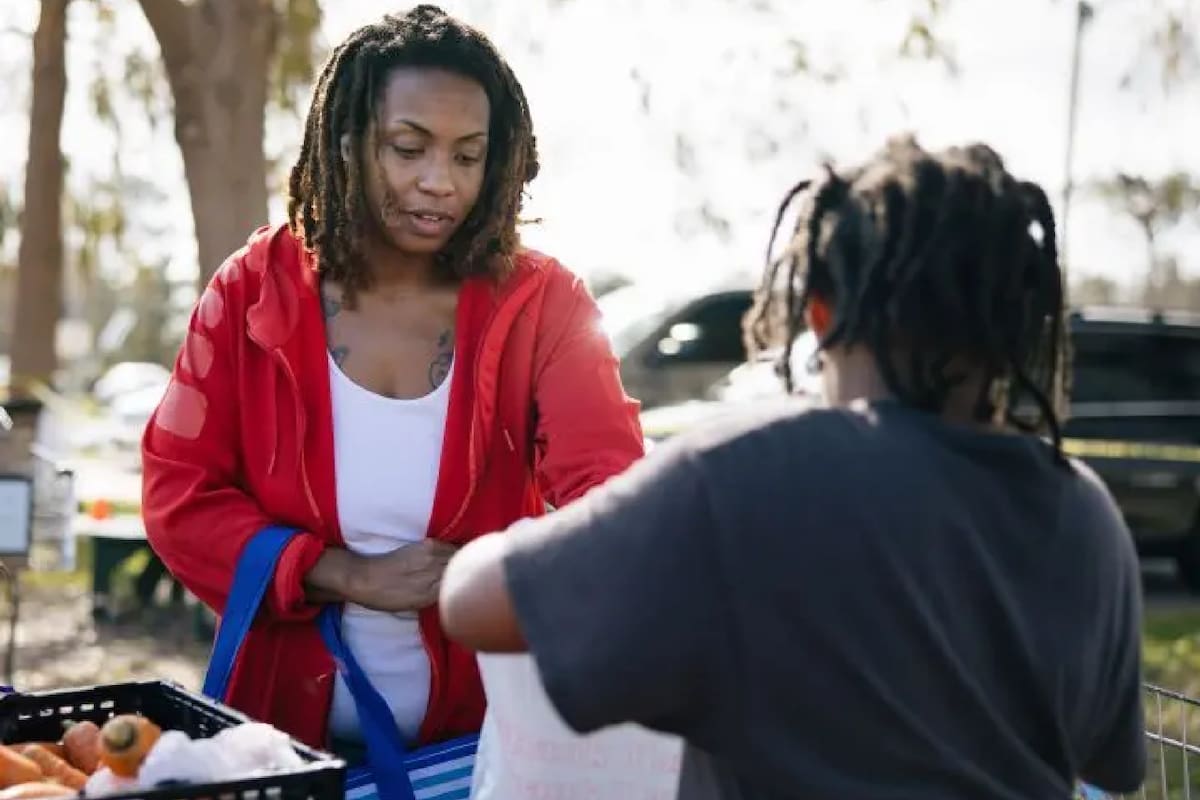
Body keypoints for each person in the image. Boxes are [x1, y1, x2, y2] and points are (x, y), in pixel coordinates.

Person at [438, 136, 1147, 798]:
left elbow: (473, 604)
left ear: (820, 315)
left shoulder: (749, 476)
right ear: (1014, 325)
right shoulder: (1085, 514)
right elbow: (1106, 765)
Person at [141, 5, 643, 753]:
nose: (439, 182)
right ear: (345, 143)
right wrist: (343, 574)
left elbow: (611, 499)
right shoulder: (252, 293)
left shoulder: (544, 305)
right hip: (281, 744)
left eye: (468, 156)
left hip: (487, 747)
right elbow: (179, 495)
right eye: (407, 148)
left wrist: (493, 576)